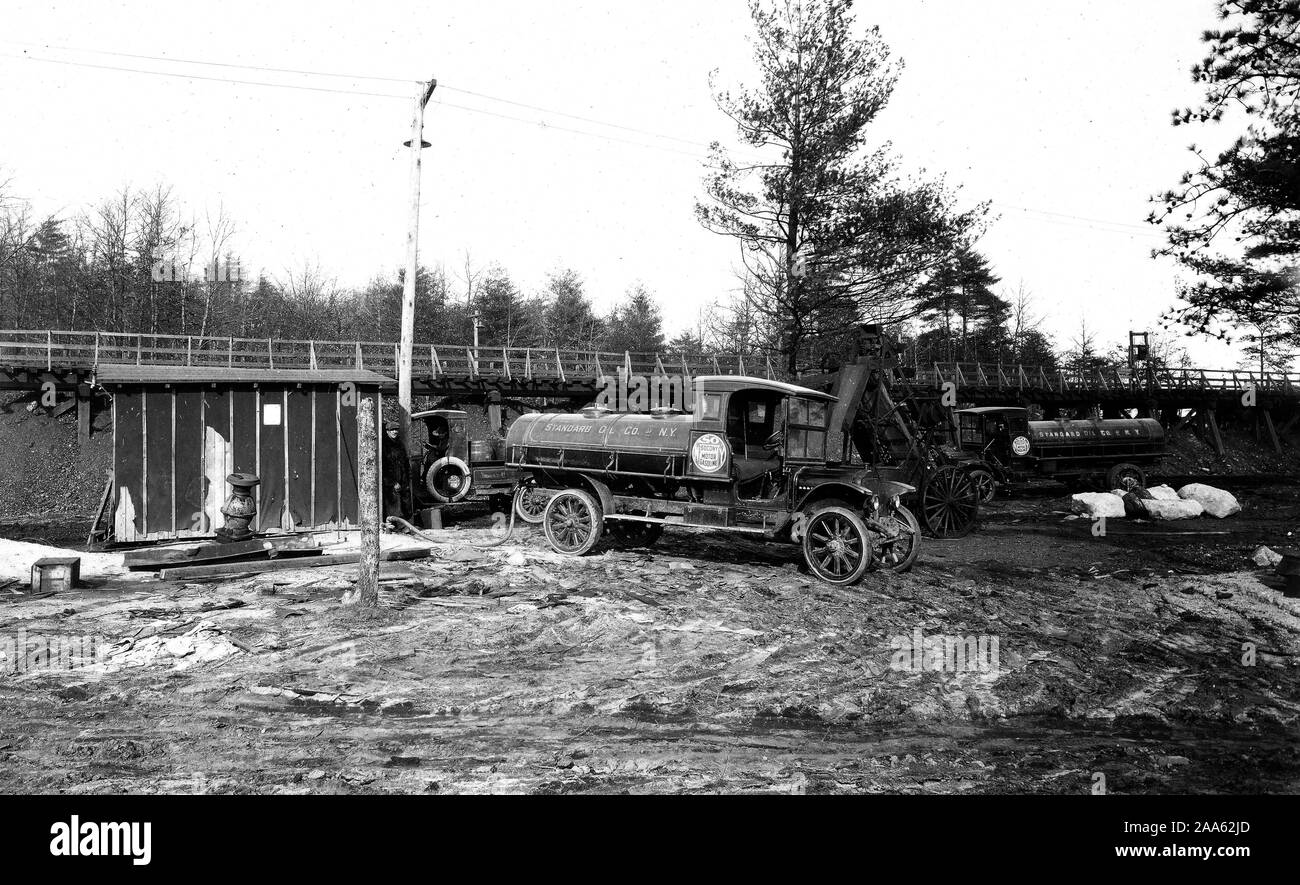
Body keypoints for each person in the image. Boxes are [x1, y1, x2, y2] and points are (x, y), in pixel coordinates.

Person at [381, 421, 411, 521]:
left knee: (406, 502)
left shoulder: (399, 444)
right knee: (394, 503)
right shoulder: (384, 446)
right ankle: (399, 526)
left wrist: (407, 477)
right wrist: (393, 482)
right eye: (392, 430)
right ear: (387, 431)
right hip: (391, 481)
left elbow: (405, 461)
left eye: (396, 430)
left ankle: (406, 523)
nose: (395, 432)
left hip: (402, 479)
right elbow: (384, 467)